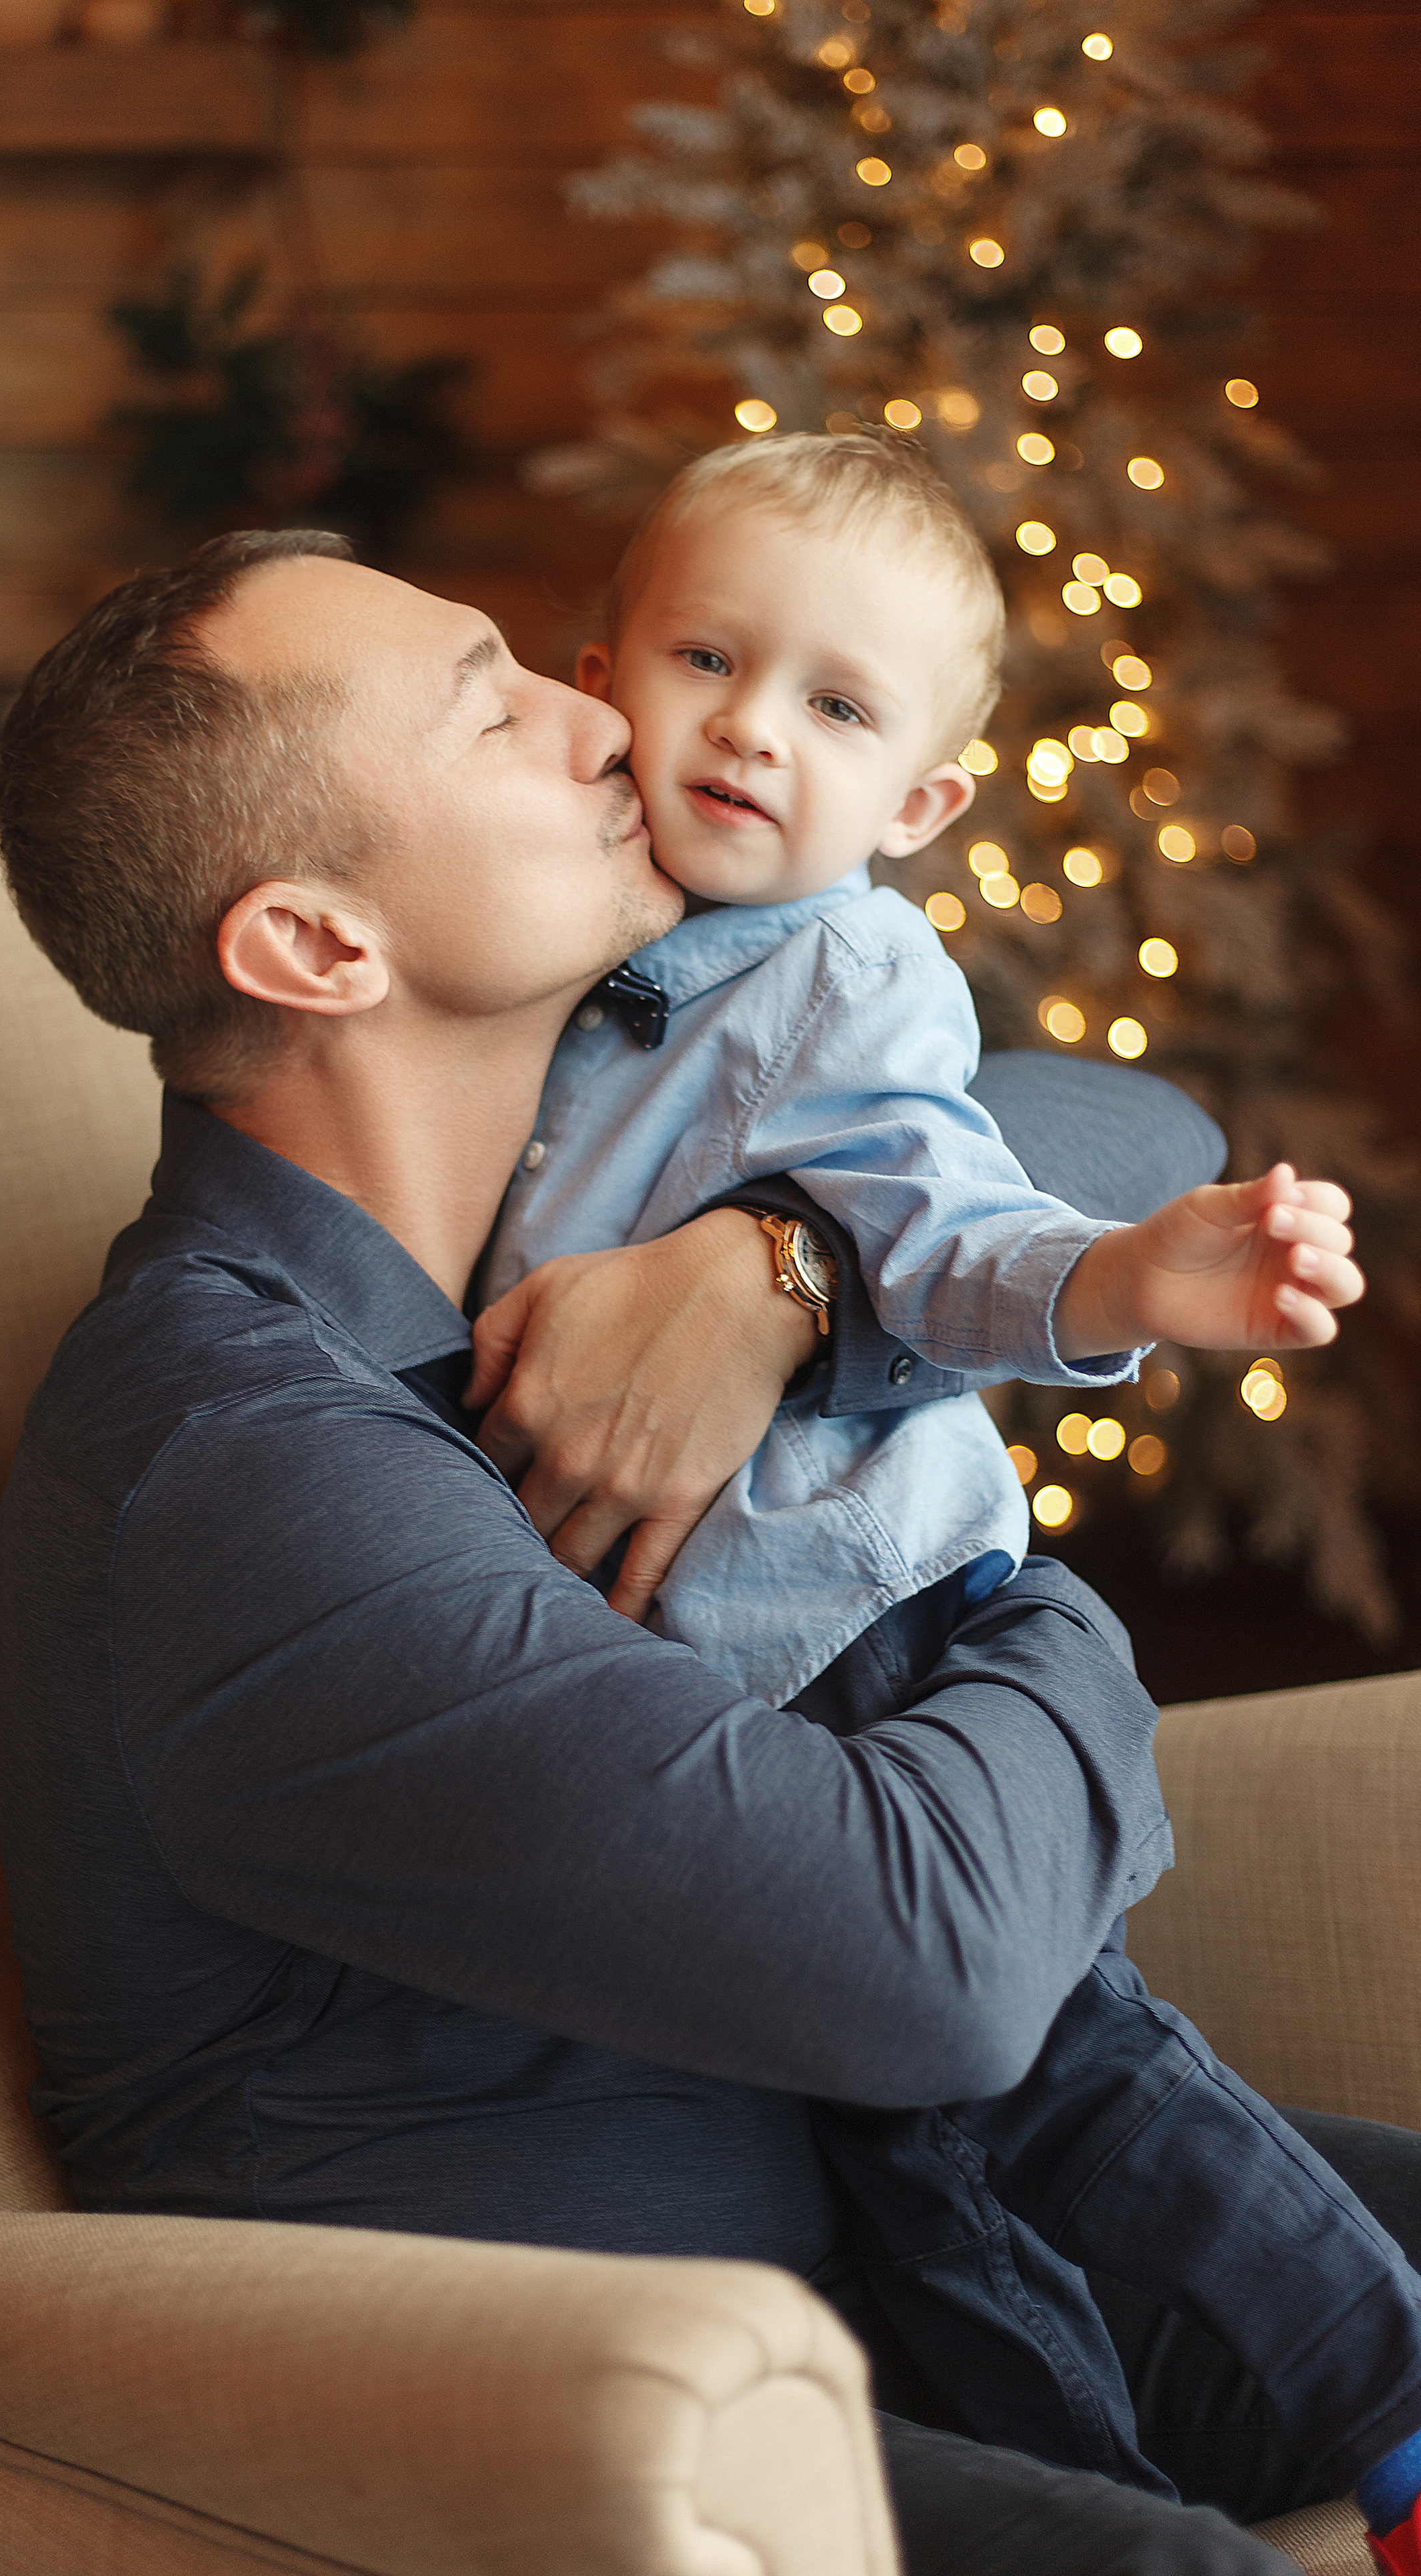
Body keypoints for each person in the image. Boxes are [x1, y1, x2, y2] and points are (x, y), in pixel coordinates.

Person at [0, 525, 1393, 2575]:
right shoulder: (245, 1463)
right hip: (583, 2439)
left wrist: (793, 1268)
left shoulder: (595, 1162)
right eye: (496, 705)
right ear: (315, 948)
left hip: (891, 2249)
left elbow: (1127, 1121)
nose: (607, 719)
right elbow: (937, 1971)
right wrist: (1033, 1608)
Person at [472, 428, 1421, 2573]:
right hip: (711, 1693)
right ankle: (1111, 2503)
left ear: (915, 809)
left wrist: (1126, 1279)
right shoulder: (556, 934)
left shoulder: (847, 973)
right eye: (704, 657)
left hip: (861, 1628)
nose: (747, 727)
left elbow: (945, 1220)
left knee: (1073, 2082)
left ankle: (1393, 2403)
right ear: (596, 667)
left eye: (832, 706)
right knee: (927, 2185)